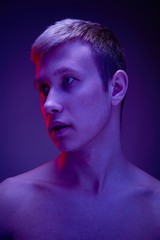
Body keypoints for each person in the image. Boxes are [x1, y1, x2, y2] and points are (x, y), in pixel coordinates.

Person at [0, 18, 160, 240]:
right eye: (44, 88)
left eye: (68, 80)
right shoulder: (9, 204)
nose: (49, 104)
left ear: (116, 88)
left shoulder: (156, 211)